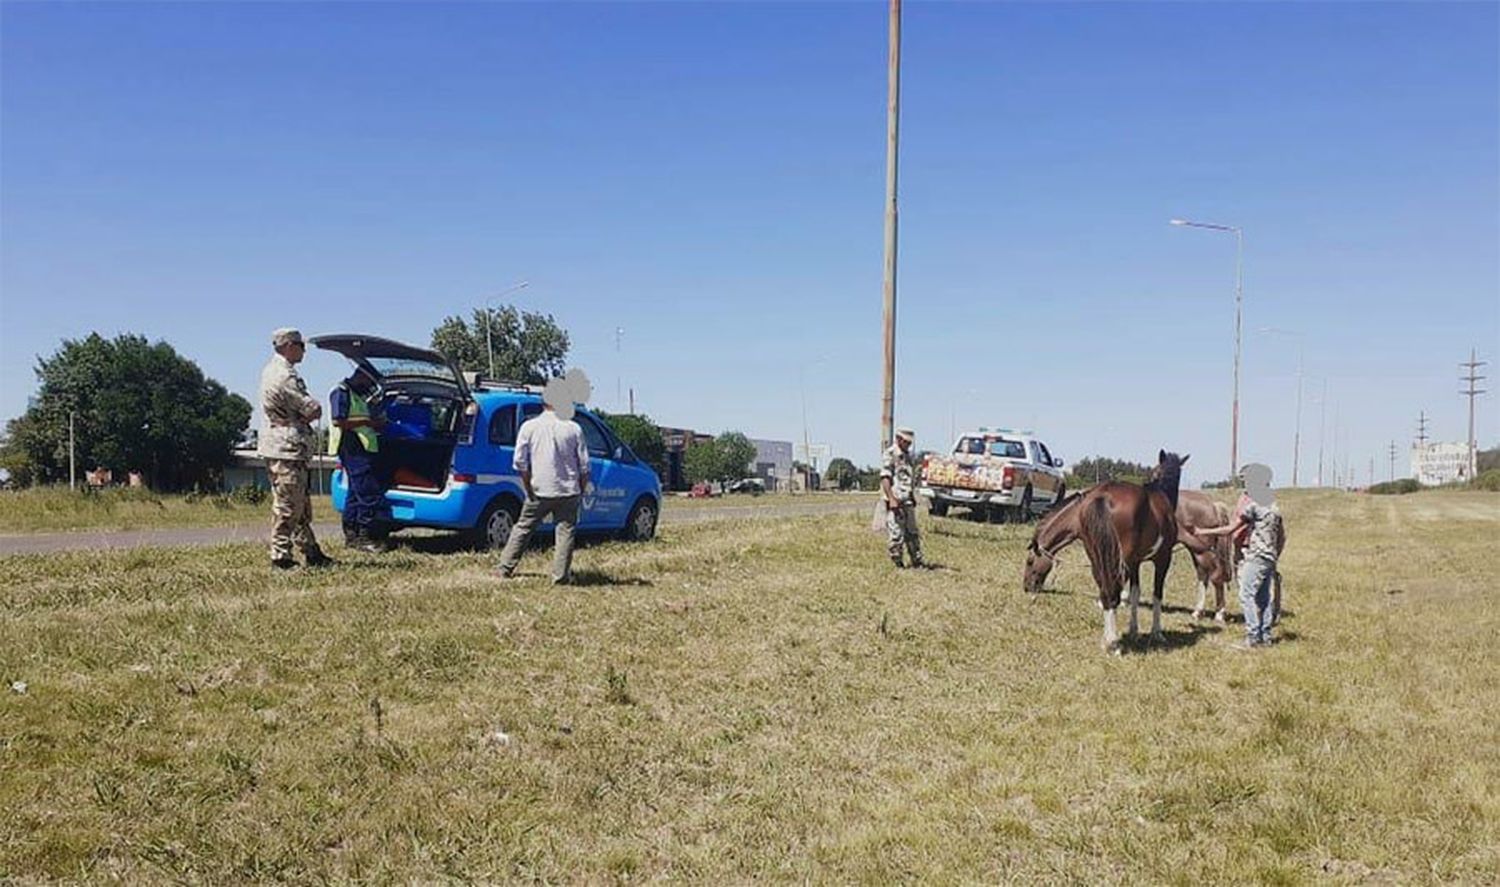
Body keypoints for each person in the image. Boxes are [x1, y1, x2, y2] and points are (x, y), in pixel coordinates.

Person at [497, 381, 592, 584]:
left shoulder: (529, 427)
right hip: (568, 490)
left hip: (539, 488)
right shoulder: (574, 428)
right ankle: (560, 576)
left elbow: (520, 463)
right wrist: (580, 490)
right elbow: (584, 467)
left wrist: (528, 487)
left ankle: (505, 567)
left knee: (523, 527)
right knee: (565, 532)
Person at [257, 327, 332, 570]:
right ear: (288, 345)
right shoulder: (284, 375)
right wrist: (312, 409)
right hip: (285, 447)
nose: (304, 350)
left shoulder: (273, 370)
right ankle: (281, 557)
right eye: (301, 345)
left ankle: (311, 551)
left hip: (285, 447)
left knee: (299, 505)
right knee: (288, 506)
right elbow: (310, 408)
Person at [1196, 463, 1283, 648]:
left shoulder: (1253, 506)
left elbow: (1230, 528)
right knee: (1263, 598)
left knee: (1246, 595)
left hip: (1254, 556)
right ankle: (1265, 636)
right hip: (1269, 557)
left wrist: (1202, 532)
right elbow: (1282, 536)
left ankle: (1252, 637)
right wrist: (1275, 555)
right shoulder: (1275, 507)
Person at [329, 366, 391, 553]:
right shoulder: (341, 392)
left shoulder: (359, 395)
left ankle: (352, 536)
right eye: (369, 382)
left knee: (355, 493)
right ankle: (364, 536)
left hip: (362, 446)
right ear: (361, 376)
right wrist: (369, 423)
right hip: (351, 445)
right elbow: (338, 421)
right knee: (367, 491)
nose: (370, 386)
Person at [881, 426, 927, 569]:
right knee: (896, 534)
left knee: (912, 533)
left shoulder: (909, 456)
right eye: (906, 442)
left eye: (910, 442)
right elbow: (885, 478)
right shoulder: (890, 454)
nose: (909, 444)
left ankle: (916, 561)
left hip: (907, 500)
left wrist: (912, 496)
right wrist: (891, 498)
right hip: (896, 500)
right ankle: (898, 563)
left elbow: (909, 478)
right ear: (898, 439)